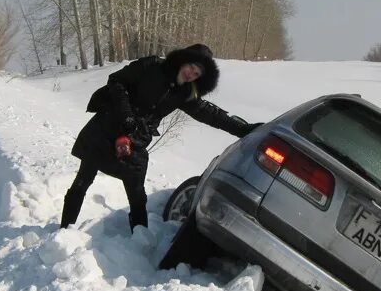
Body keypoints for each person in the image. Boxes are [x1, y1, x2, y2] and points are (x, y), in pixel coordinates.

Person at [60, 43, 261, 231]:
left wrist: (244, 129)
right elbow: (117, 81)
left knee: (137, 194)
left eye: (197, 73)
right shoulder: (152, 66)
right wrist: (126, 114)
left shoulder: (185, 93)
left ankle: (138, 241)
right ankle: (64, 230)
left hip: (135, 139)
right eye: (192, 66)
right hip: (107, 126)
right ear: (183, 60)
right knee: (83, 180)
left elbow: (211, 114)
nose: (191, 73)